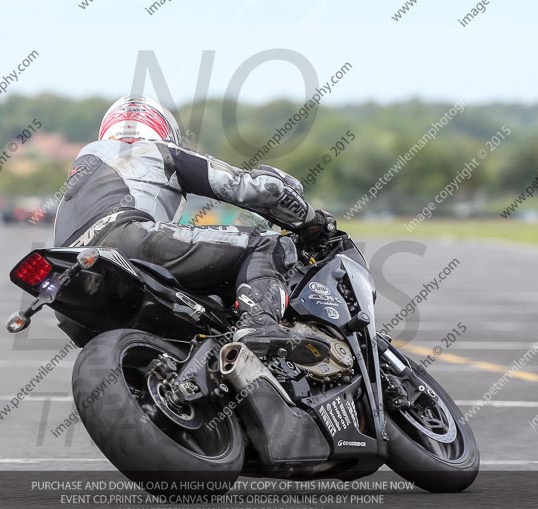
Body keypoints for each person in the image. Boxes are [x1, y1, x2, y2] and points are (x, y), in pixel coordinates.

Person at [53, 96, 335, 362]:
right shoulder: (158, 151)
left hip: (71, 277)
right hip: (130, 239)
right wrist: (312, 221)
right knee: (267, 243)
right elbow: (243, 187)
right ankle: (259, 325)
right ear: (161, 127)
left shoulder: (79, 173)